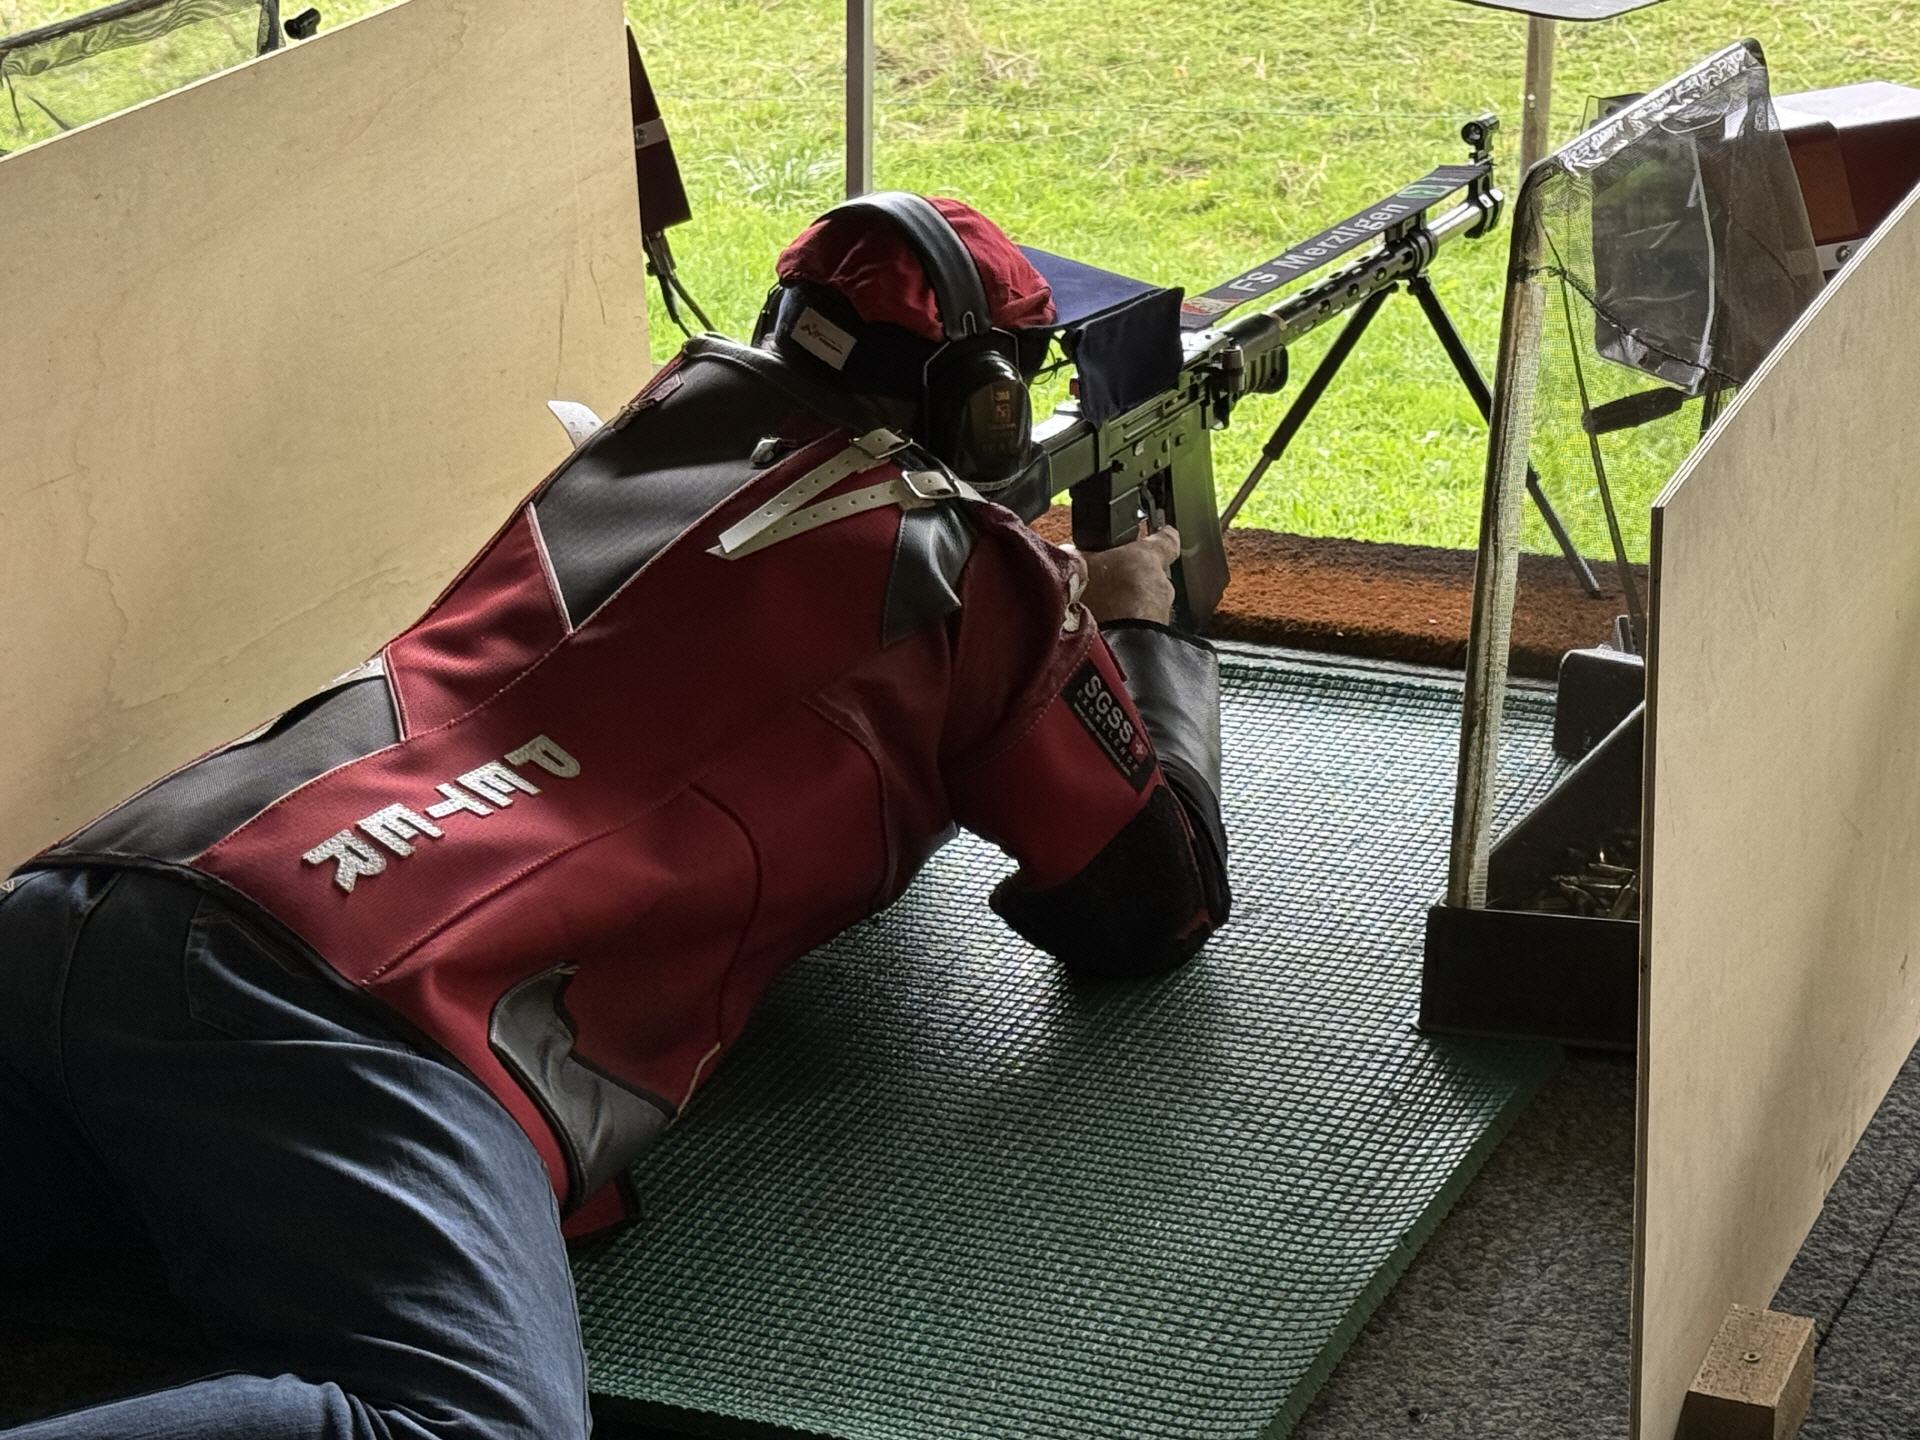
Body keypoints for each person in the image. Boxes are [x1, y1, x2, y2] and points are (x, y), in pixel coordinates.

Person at [0, 192, 1230, 1439]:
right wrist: (1135, 627)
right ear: (985, 402)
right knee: (477, 1428)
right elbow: (1147, 906)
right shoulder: (969, 571)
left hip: (95, 894)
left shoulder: (645, 433)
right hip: (364, 1004)